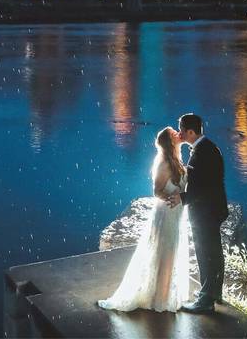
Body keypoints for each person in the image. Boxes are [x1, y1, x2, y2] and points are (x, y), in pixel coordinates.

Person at [97, 127, 190, 312]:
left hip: (177, 213)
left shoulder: (177, 159)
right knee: (163, 252)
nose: (177, 134)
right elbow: (156, 191)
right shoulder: (163, 162)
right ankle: (158, 298)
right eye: (174, 134)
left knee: (171, 253)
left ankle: (164, 295)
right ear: (170, 142)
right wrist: (173, 198)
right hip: (166, 213)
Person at [167, 113, 229, 314]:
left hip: (205, 212)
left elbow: (202, 188)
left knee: (206, 254)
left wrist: (182, 198)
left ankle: (206, 301)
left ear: (191, 132)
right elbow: (210, 183)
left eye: (182, 130)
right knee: (214, 253)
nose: (179, 133)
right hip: (214, 208)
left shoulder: (201, 153)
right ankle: (213, 292)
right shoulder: (210, 147)